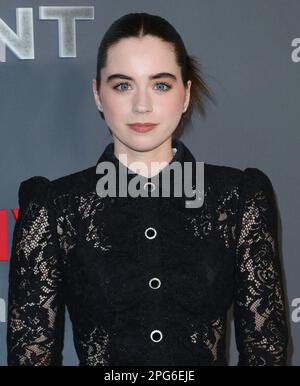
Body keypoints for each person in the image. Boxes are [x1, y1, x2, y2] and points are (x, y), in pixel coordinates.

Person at [7, 12, 288, 366]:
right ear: (98, 94)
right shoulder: (54, 208)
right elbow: (32, 356)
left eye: (160, 85)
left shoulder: (238, 199)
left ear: (185, 94)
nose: (142, 105)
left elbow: (267, 353)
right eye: (123, 85)